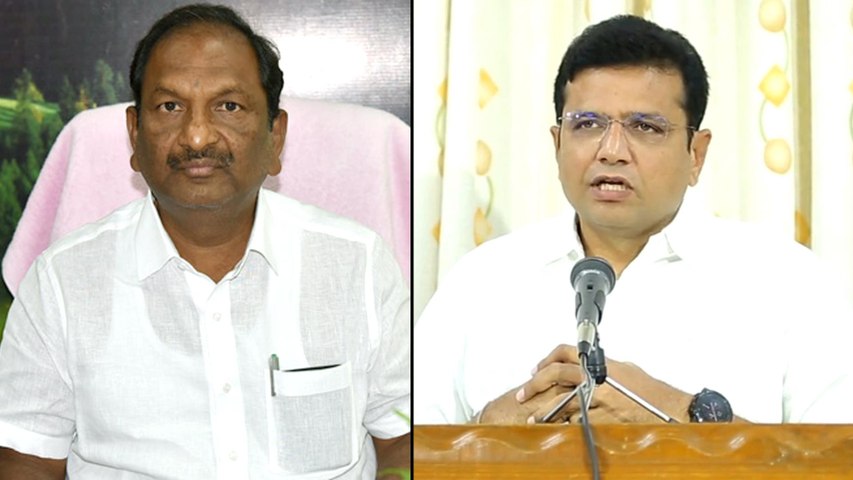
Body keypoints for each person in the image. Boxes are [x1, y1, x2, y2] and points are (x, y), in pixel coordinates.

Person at [0, 4, 410, 479]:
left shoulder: (356, 264)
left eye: (228, 106)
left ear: (275, 138)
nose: (196, 137)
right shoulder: (61, 282)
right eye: (170, 107)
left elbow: (403, 437)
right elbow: (26, 458)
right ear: (134, 134)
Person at [414, 14, 853, 426]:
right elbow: (411, 451)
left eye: (645, 127)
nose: (611, 151)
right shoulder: (481, 281)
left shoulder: (788, 282)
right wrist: (487, 431)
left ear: (696, 154)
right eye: (587, 124)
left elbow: (834, 460)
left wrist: (675, 412)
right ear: (557, 143)